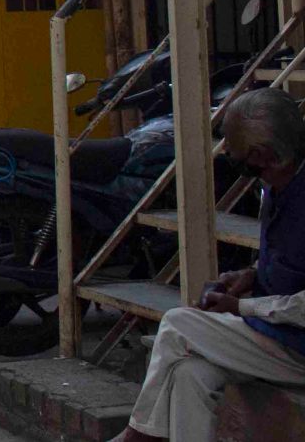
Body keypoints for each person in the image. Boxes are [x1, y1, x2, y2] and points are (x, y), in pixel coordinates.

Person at [117, 87, 305, 441]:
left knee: (177, 324)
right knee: (189, 375)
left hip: (296, 347)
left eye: (238, 157)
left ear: (263, 156)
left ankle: (135, 437)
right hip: (275, 335)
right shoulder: (277, 187)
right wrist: (251, 275)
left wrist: (242, 305)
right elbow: (289, 262)